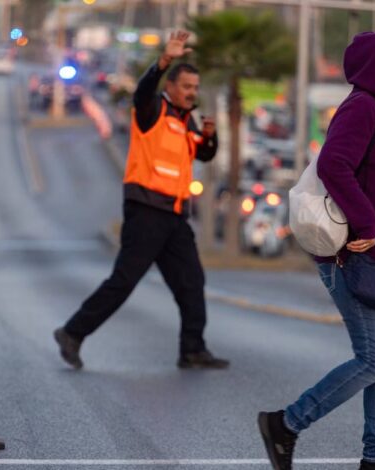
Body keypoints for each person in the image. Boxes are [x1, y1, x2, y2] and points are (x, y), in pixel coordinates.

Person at [257, 31, 375, 470]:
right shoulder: (364, 107)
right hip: (354, 256)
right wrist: (368, 222)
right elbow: (333, 164)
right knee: (374, 360)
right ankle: (286, 425)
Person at [54, 30, 229, 371]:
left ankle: (192, 349)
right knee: (124, 281)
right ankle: (72, 332)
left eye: (195, 88)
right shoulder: (153, 109)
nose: (193, 93)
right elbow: (143, 90)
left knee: (192, 282)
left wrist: (210, 137)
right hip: (146, 210)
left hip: (174, 215)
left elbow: (204, 155)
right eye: (187, 87)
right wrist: (164, 60)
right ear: (171, 87)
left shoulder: (186, 119)